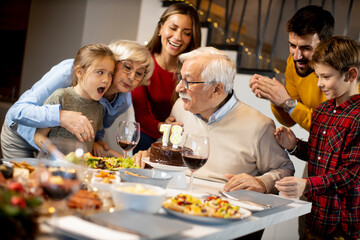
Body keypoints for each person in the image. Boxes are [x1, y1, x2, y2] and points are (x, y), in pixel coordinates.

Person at [134, 47, 295, 194]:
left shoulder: (259, 126)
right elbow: (167, 145)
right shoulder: (181, 107)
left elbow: (285, 168)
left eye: (188, 82)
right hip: (179, 197)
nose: (179, 88)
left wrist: (262, 182)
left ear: (217, 89)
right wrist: (148, 155)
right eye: (180, 78)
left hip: (226, 209)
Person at [1, 40, 154, 158]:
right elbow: (17, 111)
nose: (132, 77)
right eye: (127, 67)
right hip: (21, 135)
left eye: (139, 74)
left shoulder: (122, 101)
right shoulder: (71, 71)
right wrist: (61, 116)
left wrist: (97, 141)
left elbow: (97, 127)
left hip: (58, 150)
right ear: (114, 61)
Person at [274, 36, 360, 240]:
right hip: (315, 217)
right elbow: (318, 154)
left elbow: (349, 174)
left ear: (351, 74)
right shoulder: (321, 111)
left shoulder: (357, 117)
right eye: (317, 76)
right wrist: (294, 146)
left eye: (326, 77)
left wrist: (306, 185)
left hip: (343, 225)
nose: (320, 84)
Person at [249, 5, 336, 132]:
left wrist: (287, 103)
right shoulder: (293, 63)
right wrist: (275, 97)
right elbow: (290, 120)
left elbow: (333, 129)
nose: (297, 56)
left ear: (326, 45)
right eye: (292, 46)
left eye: (306, 48)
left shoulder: (343, 74)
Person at [131, 2, 201, 153]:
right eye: (173, 28)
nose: (178, 37)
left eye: (186, 33)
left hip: (182, 138)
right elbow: (141, 115)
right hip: (148, 136)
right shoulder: (142, 62)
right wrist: (163, 127)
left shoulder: (193, 69)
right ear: (161, 28)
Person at [34, 43, 115, 154]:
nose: (106, 80)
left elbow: (90, 142)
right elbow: (38, 136)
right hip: (53, 167)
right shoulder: (61, 97)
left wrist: (96, 143)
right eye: (100, 72)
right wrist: (57, 156)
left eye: (110, 74)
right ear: (79, 72)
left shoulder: (99, 108)